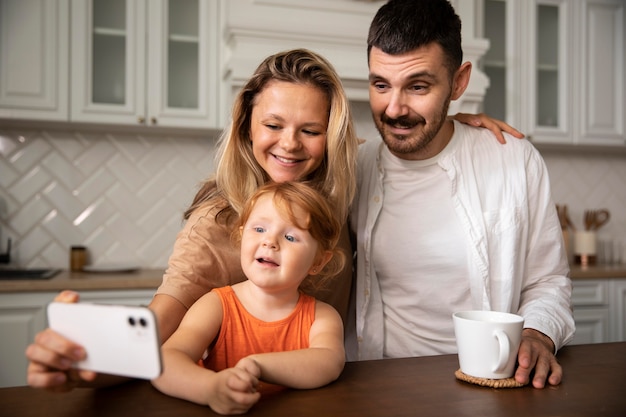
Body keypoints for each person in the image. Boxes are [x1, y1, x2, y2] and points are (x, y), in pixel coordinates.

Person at [25, 46, 519, 391]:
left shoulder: (344, 187)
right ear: (246, 125)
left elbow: (407, 136)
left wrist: (455, 129)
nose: (289, 144)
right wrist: (83, 359)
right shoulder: (215, 223)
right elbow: (157, 332)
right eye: (273, 125)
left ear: (332, 136)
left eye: (311, 129)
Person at [348, 0, 575, 389]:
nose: (395, 109)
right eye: (380, 85)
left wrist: (539, 334)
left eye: (418, 86)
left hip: (489, 384)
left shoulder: (514, 160)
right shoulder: (355, 168)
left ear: (458, 82)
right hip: (378, 386)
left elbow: (548, 280)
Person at [152, 181, 345, 414]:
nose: (270, 242)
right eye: (259, 229)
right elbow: (166, 362)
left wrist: (257, 365)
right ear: (242, 236)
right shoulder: (215, 305)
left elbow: (328, 363)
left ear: (318, 261)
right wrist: (211, 388)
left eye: (291, 237)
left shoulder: (321, 317)